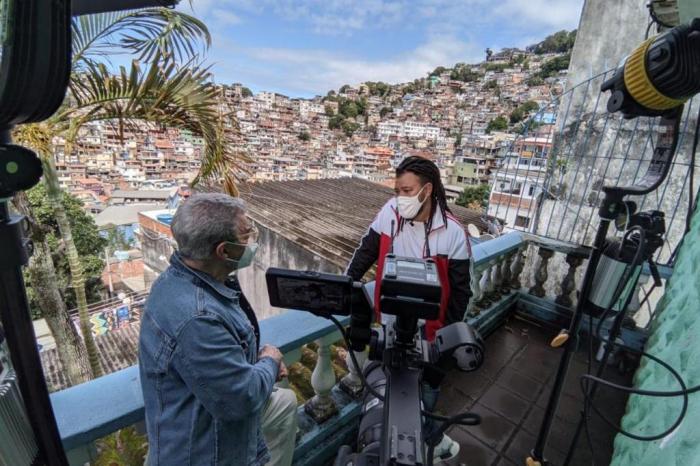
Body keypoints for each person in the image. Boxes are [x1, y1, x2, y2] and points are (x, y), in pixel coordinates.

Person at [139, 193, 297, 466]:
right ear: (224, 251)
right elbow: (241, 398)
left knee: (284, 403)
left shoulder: (179, 282)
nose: (252, 243)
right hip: (203, 453)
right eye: (247, 236)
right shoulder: (197, 317)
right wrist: (270, 360)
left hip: (214, 432)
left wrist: (250, 362)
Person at [346, 156, 472, 463]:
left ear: (426, 190)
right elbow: (366, 252)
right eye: (397, 190)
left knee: (427, 390)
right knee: (389, 383)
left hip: (431, 331)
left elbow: (460, 293)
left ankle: (430, 437)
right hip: (389, 321)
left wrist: (445, 340)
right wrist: (343, 286)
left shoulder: (453, 232)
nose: (400, 197)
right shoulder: (389, 213)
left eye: (407, 190)